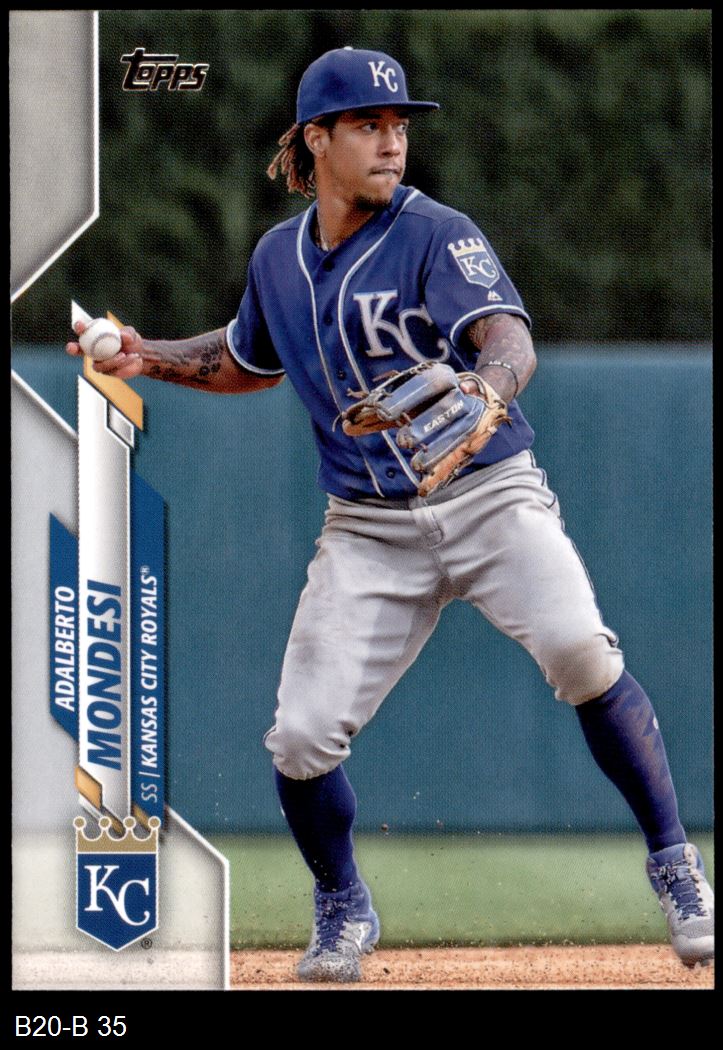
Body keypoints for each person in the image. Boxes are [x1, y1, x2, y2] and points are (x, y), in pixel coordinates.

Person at [67, 46, 713, 983]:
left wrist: (489, 387)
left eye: (399, 124)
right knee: (299, 740)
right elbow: (247, 359)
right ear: (315, 140)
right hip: (368, 529)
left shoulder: (435, 234)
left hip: (488, 496)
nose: (391, 141)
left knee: (581, 651)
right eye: (368, 124)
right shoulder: (278, 259)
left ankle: (676, 868)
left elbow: (505, 335)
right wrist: (147, 354)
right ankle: (342, 903)